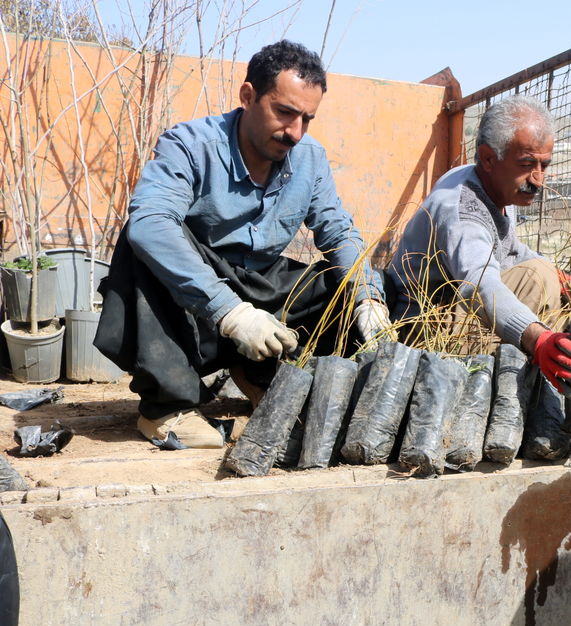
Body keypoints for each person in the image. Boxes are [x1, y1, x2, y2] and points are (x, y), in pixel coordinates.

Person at [96, 40, 392, 448]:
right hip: (192, 300)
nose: (295, 132)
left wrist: (368, 299)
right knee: (144, 239)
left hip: (261, 285)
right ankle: (166, 406)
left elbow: (338, 232)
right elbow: (150, 222)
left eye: (307, 118)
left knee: (363, 283)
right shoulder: (190, 145)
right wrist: (230, 313)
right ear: (248, 96)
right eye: (285, 113)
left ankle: (264, 375)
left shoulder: (310, 158)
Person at [386, 95, 571, 395]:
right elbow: (479, 284)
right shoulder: (463, 210)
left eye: (544, 165)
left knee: (548, 275)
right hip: (425, 332)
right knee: (537, 278)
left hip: (455, 312)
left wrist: (561, 275)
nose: (538, 179)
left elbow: (510, 248)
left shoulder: (498, 184)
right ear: (489, 158)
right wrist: (537, 339)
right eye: (527, 164)